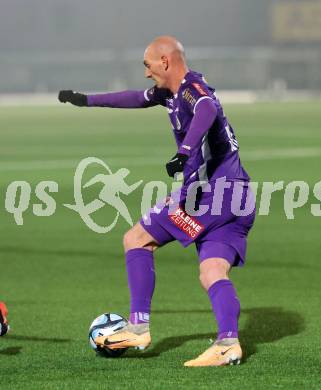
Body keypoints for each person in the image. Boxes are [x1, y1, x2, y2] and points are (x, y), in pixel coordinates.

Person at [58, 36, 255, 367]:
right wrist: (86, 99)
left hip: (212, 195)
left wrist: (184, 152)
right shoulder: (173, 93)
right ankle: (228, 343)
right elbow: (135, 98)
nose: (147, 73)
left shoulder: (193, 89)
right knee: (212, 271)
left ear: (165, 61)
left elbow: (207, 109)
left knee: (136, 239)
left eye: (148, 65)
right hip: (238, 197)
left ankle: (138, 327)